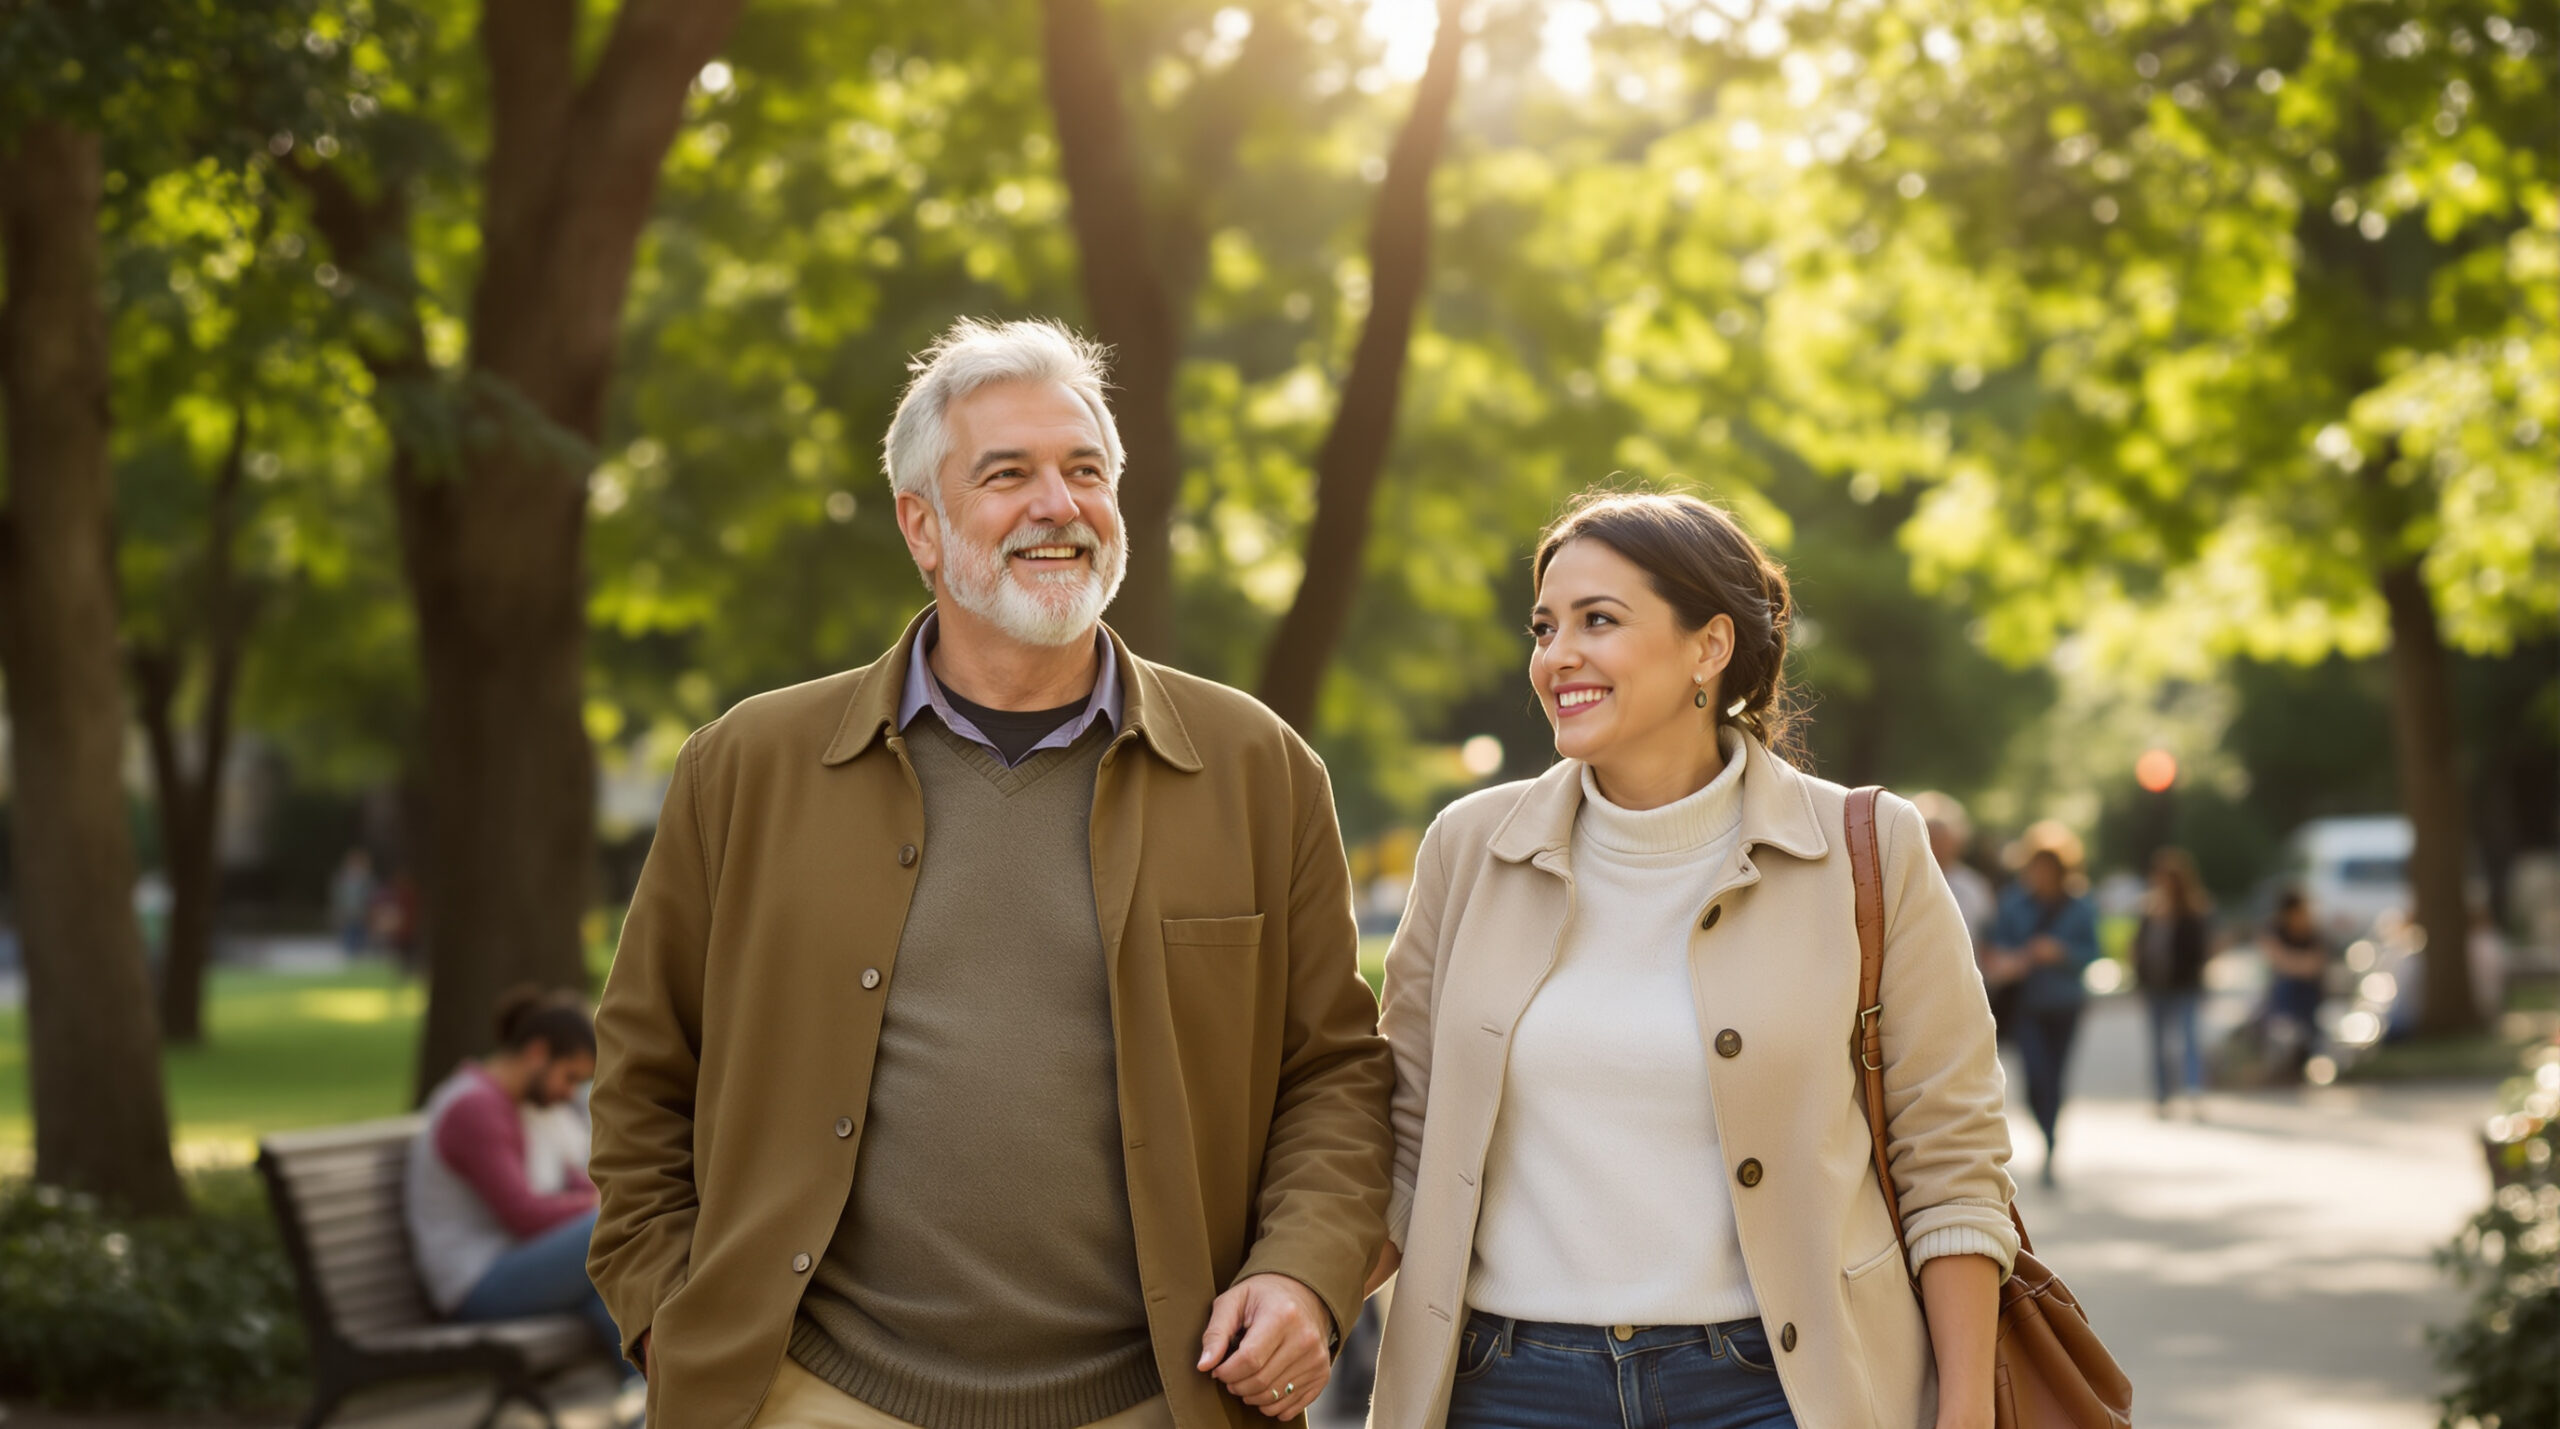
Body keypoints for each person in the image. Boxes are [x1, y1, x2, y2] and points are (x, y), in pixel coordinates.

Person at [587, 318, 1394, 1429]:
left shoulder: (1258, 767)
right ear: (921, 524)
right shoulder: (743, 767)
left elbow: (1333, 1075)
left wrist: (1304, 1272)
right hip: (812, 1398)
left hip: (1165, 1401)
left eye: (1085, 471)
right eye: (1008, 474)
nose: (1058, 504)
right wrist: (671, 1320)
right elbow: (642, 1075)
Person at [1367, 491, 2015, 1429]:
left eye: (1598, 620)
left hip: (1774, 1390)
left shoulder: (1869, 846)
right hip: (1507, 1388)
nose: (1557, 655)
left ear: (1709, 646)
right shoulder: (1468, 848)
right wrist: (1292, 1290)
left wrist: (1965, 1412)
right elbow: (1402, 1134)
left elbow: (1950, 1155)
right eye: (1545, 627)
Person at [406, 987, 617, 1357]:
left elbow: (573, 1181)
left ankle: (645, 1387)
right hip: (475, 1284)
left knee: (614, 1293)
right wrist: (598, 1205)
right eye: (569, 1077)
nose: (571, 1093)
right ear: (537, 1053)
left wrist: (598, 1198)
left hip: (514, 1263)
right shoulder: (474, 1108)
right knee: (615, 1229)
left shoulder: (520, 1105)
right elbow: (524, 1215)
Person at [1986, 823, 2099, 1186]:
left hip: (2065, 1003)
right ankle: (2045, 1129)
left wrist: (2061, 952)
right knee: (2036, 1075)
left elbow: (2093, 951)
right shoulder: (2014, 902)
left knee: (2055, 1075)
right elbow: (1995, 945)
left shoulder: (2080, 904)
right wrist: (2013, 959)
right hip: (2026, 1004)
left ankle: (2051, 1140)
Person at [2132, 847, 2213, 1115]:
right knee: (2159, 1043)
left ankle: (2193, 1090)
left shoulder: (2192, 912)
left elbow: (2199, 951)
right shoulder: (2149, 911)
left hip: (2184, 986)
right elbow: (2139, 949)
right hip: (2156, 986)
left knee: (2189, 1040)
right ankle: (2162, 1095)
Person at [2259, 890, 2329, 1078]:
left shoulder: (2314, 933)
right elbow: (2277, 960)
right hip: (2285, 999)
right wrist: (2300, 965)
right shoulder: (2274, 930)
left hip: (2310, 997)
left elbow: (2315, 965)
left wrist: (2292, 963)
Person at [329, 848, 376, 955]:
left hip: (362, 917)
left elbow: (371, 898)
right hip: (347, 917)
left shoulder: (368, 880)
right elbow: (337, 897)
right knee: (348, 944)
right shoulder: (342, 879)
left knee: (361, 944)